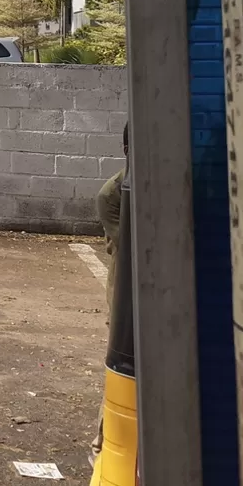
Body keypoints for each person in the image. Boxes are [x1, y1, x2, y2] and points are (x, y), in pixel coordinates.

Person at [90, 121, 128, 463]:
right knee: (123, 365)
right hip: (126, 294)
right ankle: (104, 442)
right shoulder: (113, 194)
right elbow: (133, 245)